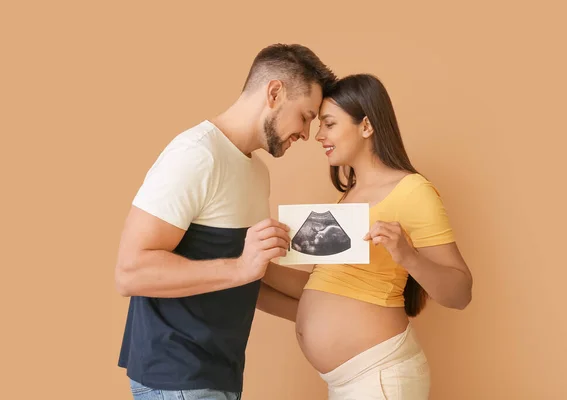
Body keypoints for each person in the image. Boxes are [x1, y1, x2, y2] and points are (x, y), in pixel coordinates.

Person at [114, 43, 336, 400]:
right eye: (306, 116)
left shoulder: (256, 172)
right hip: (177, 376)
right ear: (275, 93)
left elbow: (250, 278)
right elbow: (130, 272)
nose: (306, 134)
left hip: (219, 373)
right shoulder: (195, 155)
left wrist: (331, 306)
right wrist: (242, 267)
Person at [259, 73, 473, 399]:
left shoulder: (413, 192)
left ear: (366, 126)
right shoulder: (347, 198)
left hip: (379, 377)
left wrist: (407, 256)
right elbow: (328, 289)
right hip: (346, 382)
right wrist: (255, 273)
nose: (318, 135)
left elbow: (460, 294)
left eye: (329, 124)